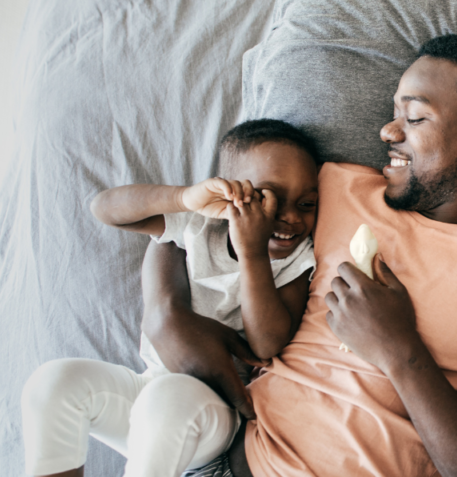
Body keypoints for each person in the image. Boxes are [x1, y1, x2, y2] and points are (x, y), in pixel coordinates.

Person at [144, 35, 457, 477]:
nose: (388, 131)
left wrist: (401, 352)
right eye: (395, 112)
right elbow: (199, 218)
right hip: (232, 458)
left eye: (414, 117)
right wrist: (165, 308)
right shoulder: (332, 188)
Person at [21, 119, 321, 477]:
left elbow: (268, 341)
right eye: (266, 199)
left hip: (212, 414)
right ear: (230, 193)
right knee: (54, 381)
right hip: (149, 389)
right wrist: (183, 198)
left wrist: (253, 252)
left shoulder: (297, 259)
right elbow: (105, 210)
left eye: (306, 203)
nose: (290, 216)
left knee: (166, 401)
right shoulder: (198, 225)